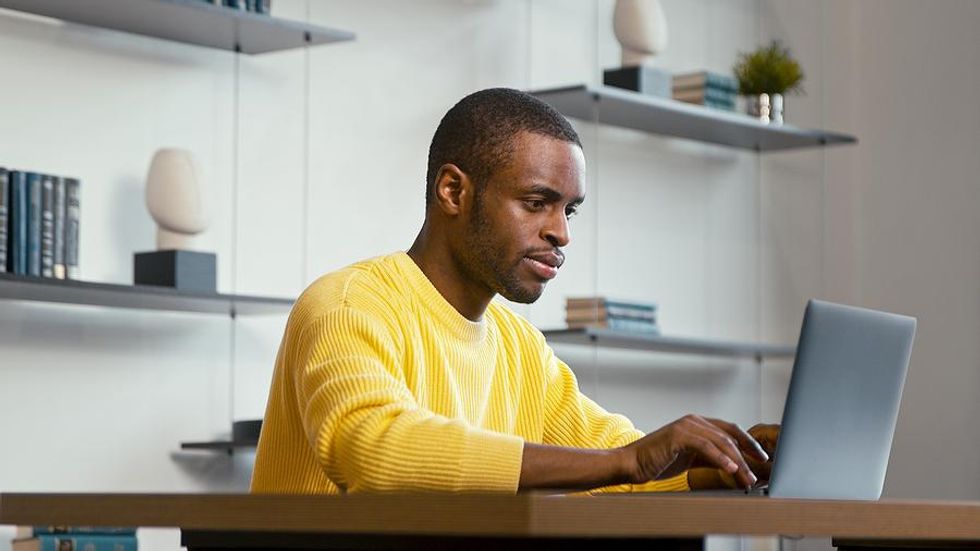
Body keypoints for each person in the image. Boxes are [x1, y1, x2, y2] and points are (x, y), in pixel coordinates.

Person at [250, 88, 777, 494]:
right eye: (535, 202)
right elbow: (372, 447)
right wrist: (628, 461)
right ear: (453, 191)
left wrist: (726, 460)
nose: (561, 233)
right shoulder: (347, 305)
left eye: (568, 210)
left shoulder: (521, 348)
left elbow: (617, 459)